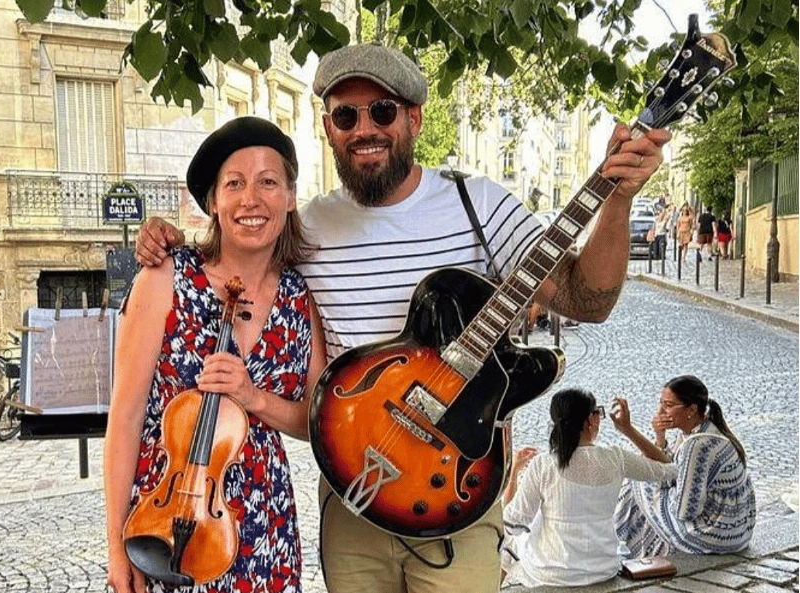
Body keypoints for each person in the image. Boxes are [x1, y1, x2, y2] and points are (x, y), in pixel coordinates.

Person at [135, 43, 669, 593]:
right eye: (347, 115)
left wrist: (620, 202)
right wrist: (170, 243)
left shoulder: (476, 205)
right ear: (328, 128)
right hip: (353, 490)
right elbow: (236, 254)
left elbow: (588, 301)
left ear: (413, 118)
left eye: (382, 111)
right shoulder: (309, 228)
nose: (364, 127)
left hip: (455, 488)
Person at [104, 117, 327, 593]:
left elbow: (316, 420)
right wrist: (114, 543)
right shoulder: (165, 278)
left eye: (269, 182)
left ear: (289, 199)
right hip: (167, 525)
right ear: (214, 202)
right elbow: (124, 418)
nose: (251, 199)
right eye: (234, 183)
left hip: (263, 526)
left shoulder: (299, 299)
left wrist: (254, 397)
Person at [500, 388, 675, 587]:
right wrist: (628, 430)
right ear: (591, 420)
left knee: (505, 546)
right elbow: (667, 469)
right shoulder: (616, 457)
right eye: (598, 412)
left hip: (553, 571)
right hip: (603, 568)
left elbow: (513, 522)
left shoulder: (544, 464)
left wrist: (513, 471)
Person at [612, 375, 756, 557]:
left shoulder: (696, 446)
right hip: (737, 531)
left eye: (668, 406)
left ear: (691, 410)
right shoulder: (701, 430)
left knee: (638, 478)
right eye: (661, 404)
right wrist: (659, 437)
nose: (660, 411)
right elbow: (672, 468)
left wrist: (629, 431)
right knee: (647, 475)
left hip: (714, 534)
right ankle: (633, 546)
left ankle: (618, 545)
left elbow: (686, 510)